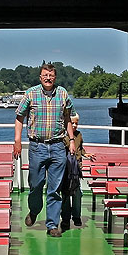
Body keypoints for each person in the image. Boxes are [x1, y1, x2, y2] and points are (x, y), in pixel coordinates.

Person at [13, 63, 77, 237]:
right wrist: (17, 141)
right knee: (36, 185)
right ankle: (34, 210)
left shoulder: (62, 93)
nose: (48, 78)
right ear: (40, 77)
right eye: (45, 75)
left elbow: (67, 118)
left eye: (51, 75)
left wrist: (71, 140)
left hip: (57, 146)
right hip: (37, 146)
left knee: (54, 188)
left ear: (55, 77)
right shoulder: (30, 94)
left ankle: (52, 225)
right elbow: (19, 118)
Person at [59, 114, 94, 230]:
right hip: (65, 169)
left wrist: (85, 154)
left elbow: (80, 148)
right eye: (72, 123)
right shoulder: (62, 136)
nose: (74, 125)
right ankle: (65, 218)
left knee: (77, 193)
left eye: (76, 123)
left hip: (76, 169)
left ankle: (77, 216)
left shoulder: (79, 135)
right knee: (65, 193)